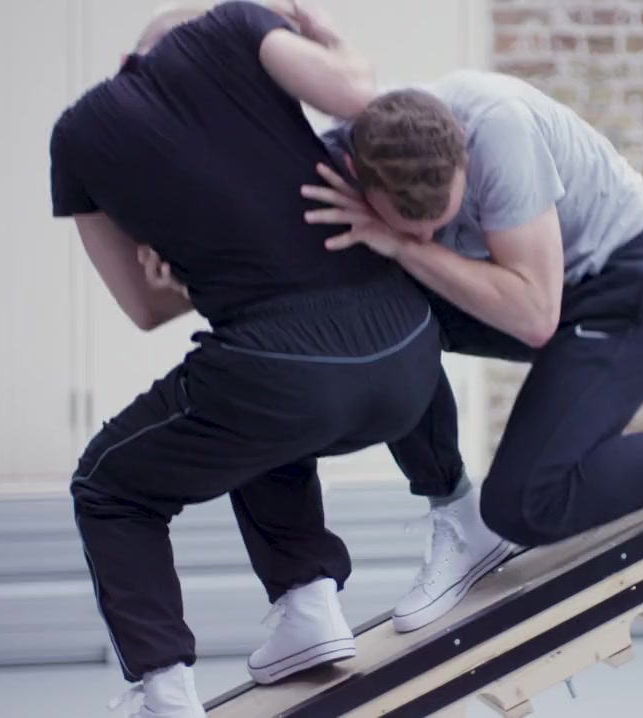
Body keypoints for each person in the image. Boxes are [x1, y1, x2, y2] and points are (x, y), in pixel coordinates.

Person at [302, 70, 643, 633]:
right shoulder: (358, 146)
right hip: (553, 293)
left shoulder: (498, 132)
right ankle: (455, 512)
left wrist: (400, 244)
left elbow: (534, 316)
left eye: (438, 223)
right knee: (382, 316)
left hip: (630, 287)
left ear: (462, 156)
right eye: (410, 226)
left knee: (525, 504)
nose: (427, 237)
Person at [48, 3, 443, 716]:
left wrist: (186, 281)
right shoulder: (235, 26)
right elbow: (359, 95)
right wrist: (326, 34)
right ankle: (309, 605)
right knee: (253, 424)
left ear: (131, 62)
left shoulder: (76, 135)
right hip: (410, 354)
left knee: (109, 483)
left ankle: (163, 691)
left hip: (282, 377)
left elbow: (144, 308)